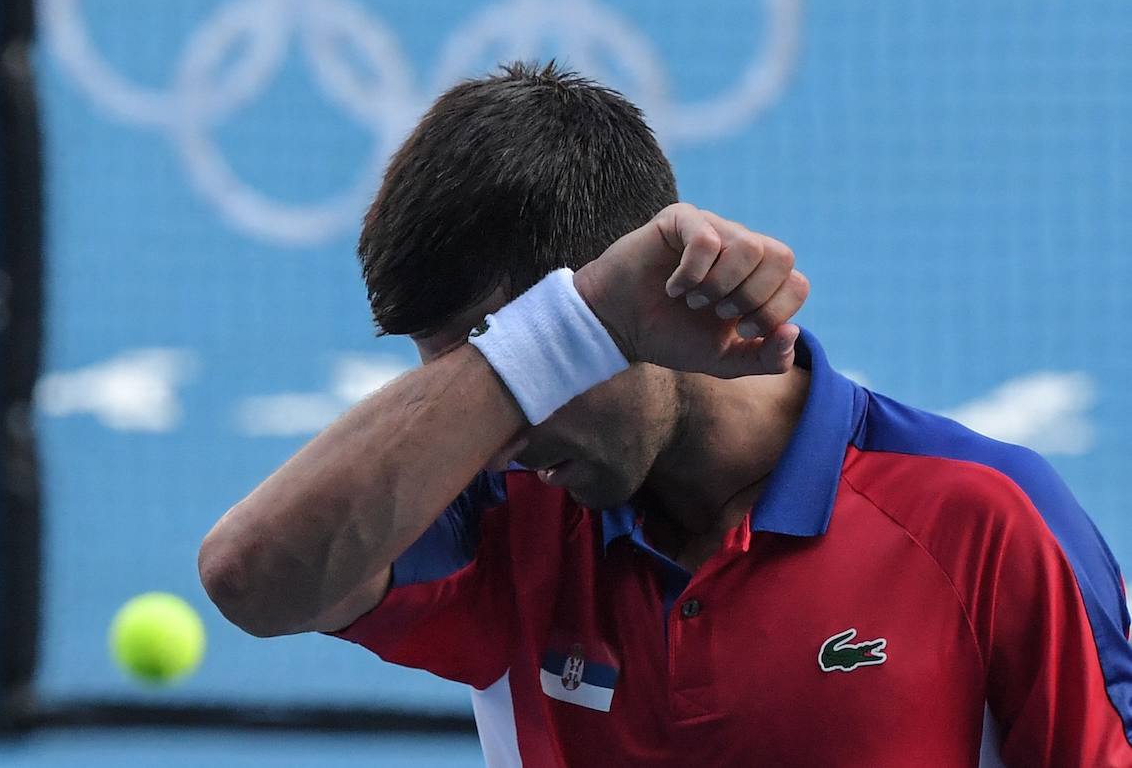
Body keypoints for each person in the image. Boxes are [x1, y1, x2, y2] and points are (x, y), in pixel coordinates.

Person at [198, 62, 1132, 766]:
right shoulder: (497, 517)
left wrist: (581, 327)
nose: (498, 440)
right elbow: (253, 575)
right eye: (483, 383)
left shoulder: (983, 517)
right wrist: (545, 345)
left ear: (638, 305)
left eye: (518, 362)